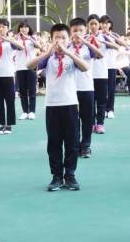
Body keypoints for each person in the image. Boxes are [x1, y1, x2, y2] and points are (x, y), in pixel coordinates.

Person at [27, 23, 90, 191]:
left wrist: (69, 52)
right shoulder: (48, 58)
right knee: (54, 142)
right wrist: (47, 52)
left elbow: (85, 67)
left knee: (72, 143)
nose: (60, 41)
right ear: (51, 39)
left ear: (68, 40)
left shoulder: (72, 56)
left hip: (70, 104)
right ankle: (56, 176)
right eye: (57, 38)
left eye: (63, 38)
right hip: (52, 106)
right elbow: (29, 65)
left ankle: (70, 175)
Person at [69, 18, 103, 159]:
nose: (77, 34)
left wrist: (86, 42)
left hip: (87, 88)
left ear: (86, 31)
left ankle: (86, 146)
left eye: (81, 31)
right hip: (70, 90)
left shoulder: (88, 47)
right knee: (72, 120)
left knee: (88, 119)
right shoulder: (66, 47)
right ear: (70, 32)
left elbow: (100, 55)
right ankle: (75, 145)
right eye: (74, 31)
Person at [87, 14, 113, 134]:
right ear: (88, 25)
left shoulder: (104, 37)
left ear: (99, 25)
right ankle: (91, 123)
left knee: (102, 101)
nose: (93, 26)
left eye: (95, 24)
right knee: (90, 102)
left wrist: (103, 41)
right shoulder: (85, 38)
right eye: (91, 23)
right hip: (88, 75)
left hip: (102, 74)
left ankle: (100, 123)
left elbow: (118, 46)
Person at [14, 21, 42, 120]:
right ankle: (25, 111)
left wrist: (30, 38)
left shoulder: (32, 39)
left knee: (32, 90)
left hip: (31, 67)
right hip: (20, 67)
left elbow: (39, 46)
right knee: (22, 91)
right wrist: (15, 38)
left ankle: (32, 111)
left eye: (26, 27)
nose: (24, 29)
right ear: (19, 29)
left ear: (29, 29)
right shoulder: (16, 39)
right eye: (22, 27)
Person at [99, 15, 126, 119]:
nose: (104, 25)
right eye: (102, 23)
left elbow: (123, 44)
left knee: (111, 89)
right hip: (100, 66)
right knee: (102, 89)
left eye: (107, 23)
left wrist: (111, 35)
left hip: (111, 65)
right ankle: (102, 109)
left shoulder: (114, 35)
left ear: (110, 24)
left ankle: (110, 109)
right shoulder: (98, 35)